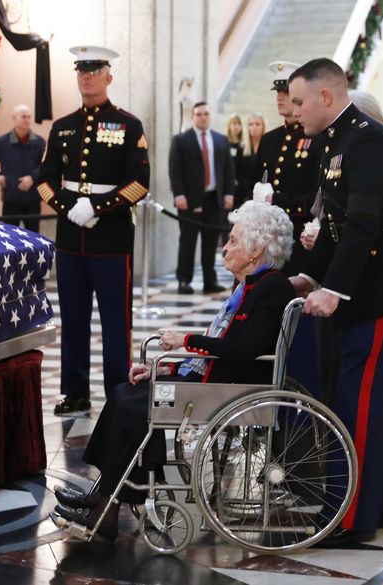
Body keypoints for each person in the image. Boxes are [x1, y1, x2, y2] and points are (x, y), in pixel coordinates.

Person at [51, 201, 296, 540]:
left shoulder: (272, 287)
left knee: (137, 406)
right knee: (125, 393)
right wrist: (163, 369)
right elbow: (224, 348)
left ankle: (107, 503)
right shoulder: (250, 287)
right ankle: (105, 497)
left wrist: (186, 340)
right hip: (216, 377)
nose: (225, 247)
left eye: (235, 241)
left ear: (256, 250)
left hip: (231, 389)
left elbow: (243, 350)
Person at [288, 58, 383, 546]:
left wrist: (334, 289)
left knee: (359, 400)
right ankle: (378, 505)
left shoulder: (367, 139)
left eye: (298, 101)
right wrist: (313, 275)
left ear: (325, 97)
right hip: (371, 284)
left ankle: (349, 518)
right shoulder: (335, 141)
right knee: (373, 399)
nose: (293, 112)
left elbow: (363, 225)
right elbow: (335, 222)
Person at [35, 45, 150, 415]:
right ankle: (75, 391)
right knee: (73, 317)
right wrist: (70, 208)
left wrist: (98, 207)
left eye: (94, 69)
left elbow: (139, 183)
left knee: (116, 321)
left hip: (111, 238)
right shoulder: (63, 126)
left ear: (108, 76)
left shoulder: (129, 124)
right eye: (81, 69)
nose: (86, 75)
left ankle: (117, 389)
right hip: (71, 238)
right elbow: (45, 180)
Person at [252, 60, 324, 276]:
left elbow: (316, 195)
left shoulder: (317, 139)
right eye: (278, 91)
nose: (279, 97)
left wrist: (276, 200)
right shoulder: (269, 140)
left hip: (299, 237)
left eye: (285, 92)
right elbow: (253, 185)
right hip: (267, 237)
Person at [170, 102, 236, 294]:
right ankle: (184, 280)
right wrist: (179, 195)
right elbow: (175, 170)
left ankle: (210, 281)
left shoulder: (221, 140)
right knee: (188, 242)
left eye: (206, 113)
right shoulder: (181, 140)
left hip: (214, 199)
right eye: (199, 114)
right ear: (193, 117)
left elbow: (227, 171)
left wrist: (229, 194)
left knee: (210, 243)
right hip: (190, 201)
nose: (203, 117)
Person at [0, 104, 46, 232]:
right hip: (11, 199)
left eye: (29, 116)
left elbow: (47, 164)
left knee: (33, 236)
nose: (27, 119)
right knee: (8, 235)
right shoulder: (2, 142)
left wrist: (32, 178)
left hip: (33, 199)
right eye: (23, 116)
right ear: (14, 118)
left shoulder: (39, 142)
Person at [226, 113, 251, 210]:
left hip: (242, 188)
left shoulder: (245, 145)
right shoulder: (225, 144)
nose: (236, 126)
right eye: (234, 123)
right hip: (229, 187)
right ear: (229, 126)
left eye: (239, 124)